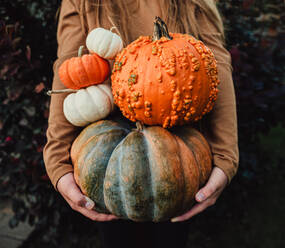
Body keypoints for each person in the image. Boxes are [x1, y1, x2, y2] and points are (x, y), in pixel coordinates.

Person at [43, 0, 239, 247]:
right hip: (110, 157)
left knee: (170, 239)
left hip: (179, 154)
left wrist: (225, 157)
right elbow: (70, 70)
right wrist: (57, 163)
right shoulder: (84, 3)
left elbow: (216, 65)